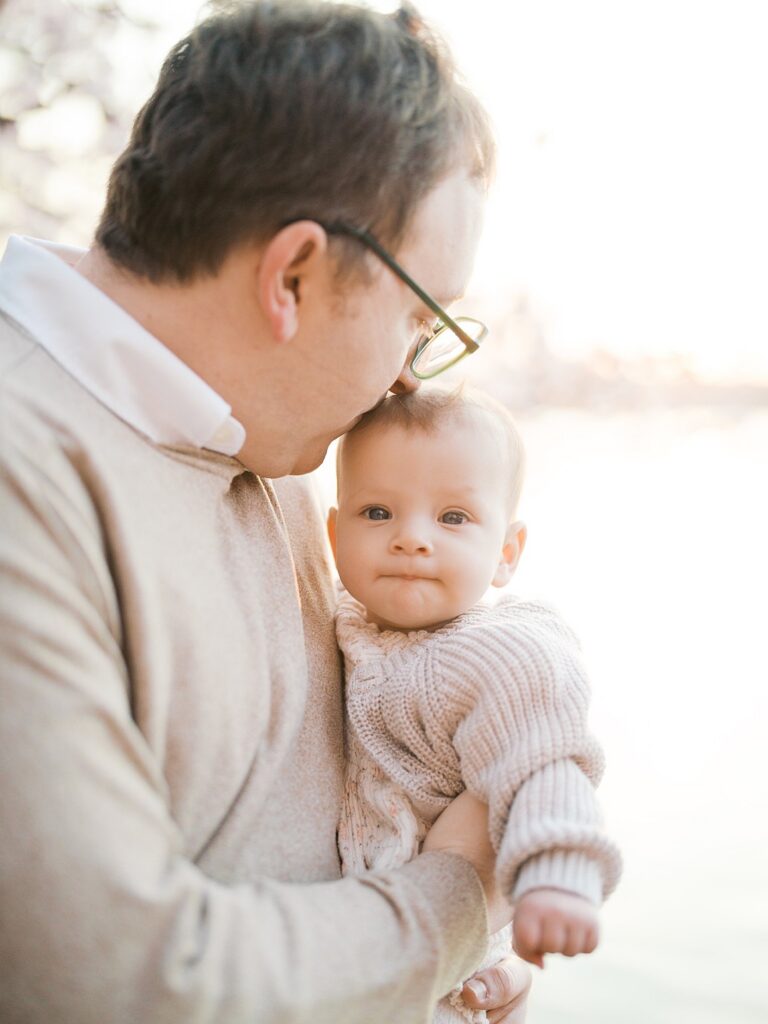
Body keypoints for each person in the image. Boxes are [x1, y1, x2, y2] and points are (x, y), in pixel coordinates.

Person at [0, 2, 534, 1022]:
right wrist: (457, 899)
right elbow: (122, 982)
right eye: (420, 320)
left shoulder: (270, 436)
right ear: (290, 274)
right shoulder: (23, 474)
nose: (403, 380)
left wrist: (439, 973)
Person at [327, 387, 622, 1022]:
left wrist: (556, 872)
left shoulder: (494, 654)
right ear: (333, 531)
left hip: (449, 975)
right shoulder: (346, 619)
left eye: (453, 518)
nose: (411, 539)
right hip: (364, 955)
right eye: (377, 513)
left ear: (507, 554)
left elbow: (543, 764)